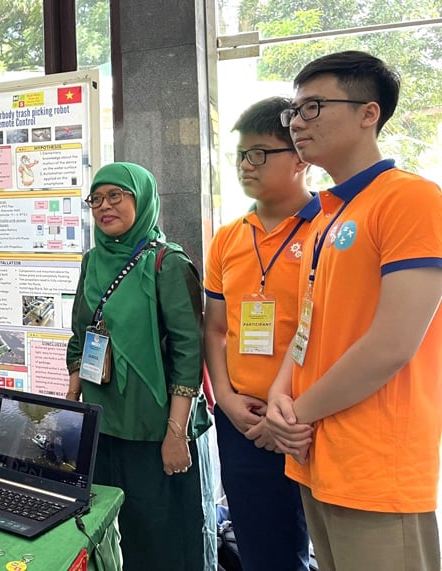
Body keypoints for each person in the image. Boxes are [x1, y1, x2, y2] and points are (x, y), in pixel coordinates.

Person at [266, 51, 442, 570]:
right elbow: (309, 325)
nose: (297, 122)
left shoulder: (410, 200)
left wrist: (295, 413)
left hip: (375, 465)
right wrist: (279, 393)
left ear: (370, 113)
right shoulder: (326, 215)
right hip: (315, 452)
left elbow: (392, 345)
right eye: (294, 110)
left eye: (315, 106)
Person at [65, 162, 216, 570]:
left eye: (116, 196)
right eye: (96, 199)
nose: (104, 206)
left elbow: (190, 355)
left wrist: (175, 434)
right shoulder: (92, 261)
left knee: (163, 537)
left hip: (157, 431)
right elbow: (82, 335)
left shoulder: (168, 264)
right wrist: (72, 407)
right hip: (103, 425)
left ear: (143, 199)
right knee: (110, 533)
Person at [204, 97, 316, 571]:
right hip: (242, 419)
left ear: (301, 158)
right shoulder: (228, 237)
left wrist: (284, 413)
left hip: (307, 419)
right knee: (258, 544)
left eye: (260, 153)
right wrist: (226, 399)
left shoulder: (329, 230)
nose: (245, 165)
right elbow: (213, 329)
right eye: (240, 154)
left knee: (318, 544)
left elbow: (332, 330)